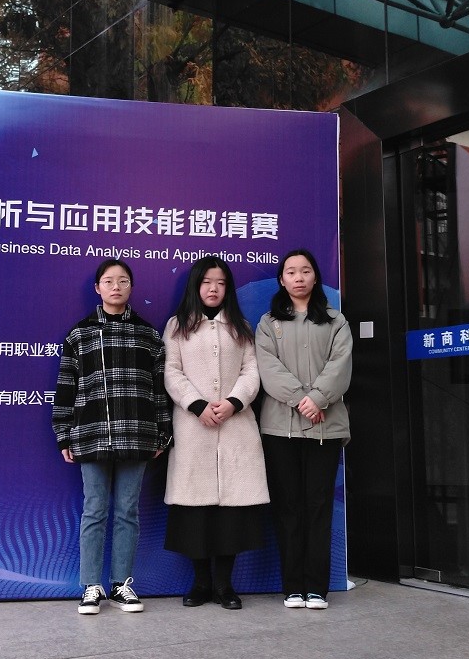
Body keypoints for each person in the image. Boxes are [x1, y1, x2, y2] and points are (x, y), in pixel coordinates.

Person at [52, 259, 172, 615]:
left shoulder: (149, 335)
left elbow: (160, 391)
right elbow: (66, 388)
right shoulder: (80, 334)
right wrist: (63, 434)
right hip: (91, 435)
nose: (115, 287)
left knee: (127, 512)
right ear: (97, 288)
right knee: (94, 510)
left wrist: (163, 433)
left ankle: (122, 584)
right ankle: (91, 586)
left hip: (137, 434)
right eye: (108, 281)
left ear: (131, 287)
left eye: (122, 281)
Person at [162, 256, 268, 610]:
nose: (213, 289)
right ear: (196, 285)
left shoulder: (241, 327)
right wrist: (197, 405)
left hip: (235, 427)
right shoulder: (177, 326)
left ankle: (224, 586)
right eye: (207, 282)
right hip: (194, 428)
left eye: (221, 283)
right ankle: (201, 584)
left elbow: (252, 371)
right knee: (196, 513)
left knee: (230, 516)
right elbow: (171, 372)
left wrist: (234, 402)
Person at [256, 249, 353, 610]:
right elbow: (268, 367)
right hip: (280, 429)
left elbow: (341, 365)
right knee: (288, 507)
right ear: (282, 280)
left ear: (315, 277)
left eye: (305, 271)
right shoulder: (269, 323)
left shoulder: (336, 321)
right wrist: (301, 399)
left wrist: (319, 398)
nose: (298, 277)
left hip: (325, 427)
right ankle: (293, 586)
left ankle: (316, 588)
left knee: (318, 506)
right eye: (291, 272)